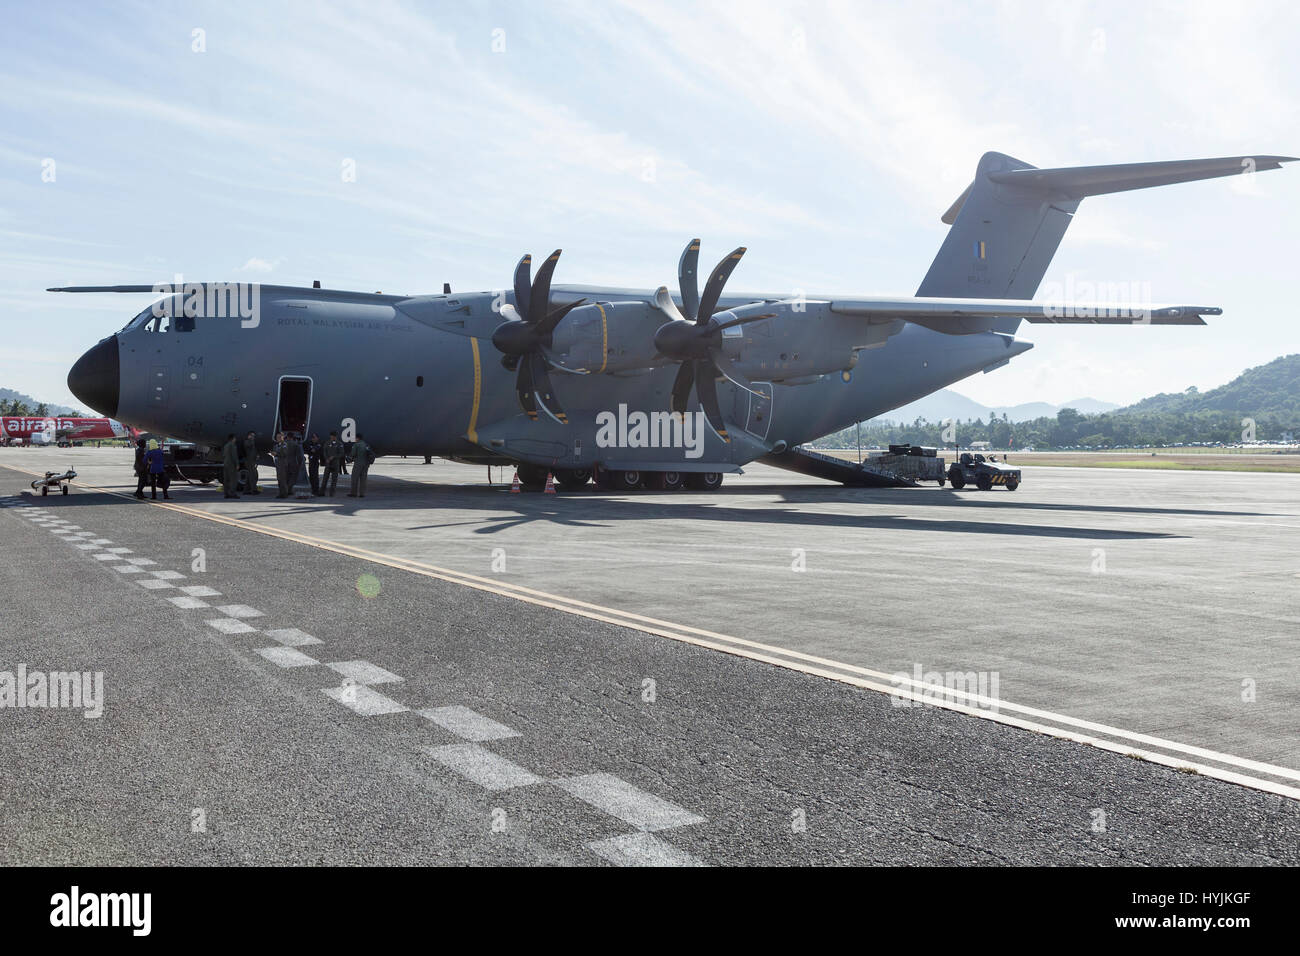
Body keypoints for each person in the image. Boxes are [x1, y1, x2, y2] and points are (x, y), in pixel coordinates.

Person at [347, 433, 374, 498]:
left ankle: (353, 493)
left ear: (357, 438)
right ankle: (362, 493)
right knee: (363, 479)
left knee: (354, 478)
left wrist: (348, 459)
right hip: (366, 464)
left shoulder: (356, 445)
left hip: (358, 464)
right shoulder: (366, 445)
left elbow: (352, 454)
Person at [322, 431, 344, 497]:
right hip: (328, 462)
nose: (333, 437)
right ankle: (322, 492)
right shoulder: (327, 443)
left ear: (336, 436)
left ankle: (332, 493)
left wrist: (334, 456)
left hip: (335, 463)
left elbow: (341, 453)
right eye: (332, 436)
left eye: (334, 436)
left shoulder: (339, 444)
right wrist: (327, 458)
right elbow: (324, 452)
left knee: (334, 479)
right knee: (325, 477)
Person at [221, 433, 241, 499]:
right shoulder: (232, 445)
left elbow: (223, 455)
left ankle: (226, 494)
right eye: (235, 438)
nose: (235, 439)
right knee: (233, 479)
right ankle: (232, 493)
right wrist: (237, 464)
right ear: (233, 439)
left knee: (226, 480)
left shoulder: (226, 445)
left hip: (226, 463)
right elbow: (234, 456)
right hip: (232, 464)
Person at [284, 431, 304, 496]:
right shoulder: (295, 445)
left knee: (286, 476)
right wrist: (300, 464)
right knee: (293, 476)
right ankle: (289, 489)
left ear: (287, 437)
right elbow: (299, 456)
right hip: (293, 462)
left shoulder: (283, 444)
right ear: (292, 437)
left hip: (284, 462)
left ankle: (286, 489)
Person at [273, 431, 290, 497]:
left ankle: (284, 493)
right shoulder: (276, 445)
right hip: (278, 464)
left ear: (283, 437)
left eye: (280, 437)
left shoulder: (284, 445)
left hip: (283, 464)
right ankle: (281, 493)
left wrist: (276, 454)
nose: (278, 438)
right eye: (277, 437)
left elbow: (285, 453)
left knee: (283, 479)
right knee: (279, 479)